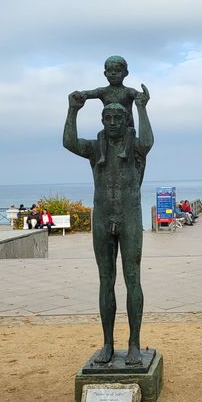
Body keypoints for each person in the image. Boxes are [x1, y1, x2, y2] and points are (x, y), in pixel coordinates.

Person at [63, 74, 153, 366]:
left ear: (124, 120)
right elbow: (69, 142)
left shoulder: (135, 147)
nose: (113, 123)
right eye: (108, 119)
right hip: (103, 216)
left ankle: (135, 343)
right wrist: (73, 109)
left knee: (132, 279)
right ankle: (107, 344)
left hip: (128, 215)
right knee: (105, 281)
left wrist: (141, 107)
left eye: (118, 118)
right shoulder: (95, 148)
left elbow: (148, 141)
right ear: (103, 121)